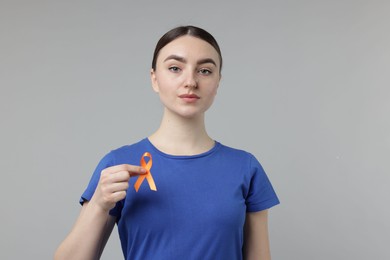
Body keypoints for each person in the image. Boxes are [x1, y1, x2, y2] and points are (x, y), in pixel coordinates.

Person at [54, 25, 280, 260]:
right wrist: (99, 205)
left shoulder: (245, 167)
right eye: (175, 68)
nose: (190, 81)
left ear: (218, 82)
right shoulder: (117, 164)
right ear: (154, 78)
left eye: (204, 71)